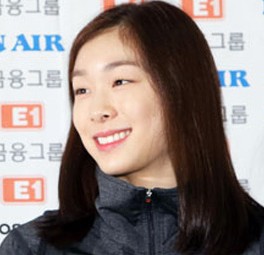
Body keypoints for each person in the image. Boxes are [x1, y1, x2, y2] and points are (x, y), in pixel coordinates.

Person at [1, 1, 264, 254]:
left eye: (120, 81)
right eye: (82, 89)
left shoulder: (257, 240)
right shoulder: (31, 247)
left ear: (181, 90)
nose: (97, 110)